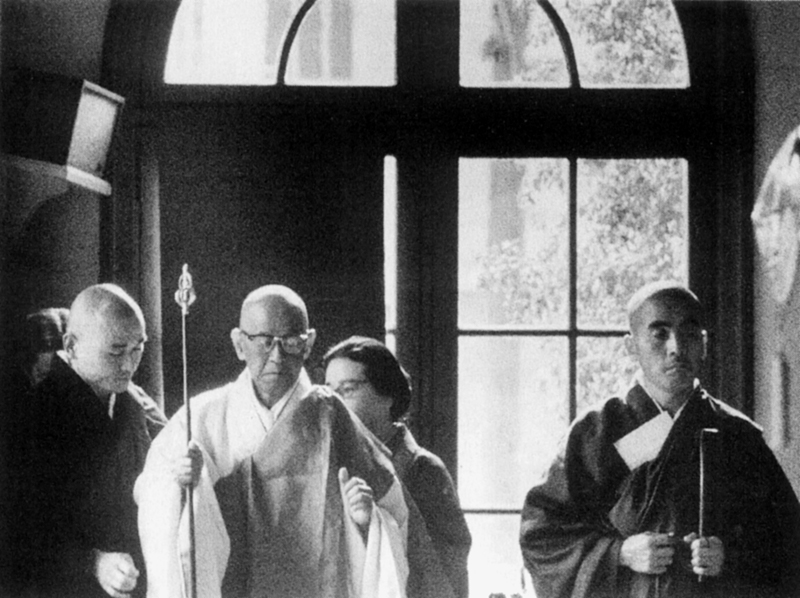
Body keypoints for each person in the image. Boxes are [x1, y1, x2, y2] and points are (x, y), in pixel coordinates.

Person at [135, 285, 451, 598]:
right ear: (239, 344)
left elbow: (396, 516)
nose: (276, 356)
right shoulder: (201, 417)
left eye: (290, 342)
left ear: (308, 343)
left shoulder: (332, 417)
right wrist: (181, 485)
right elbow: (151, 491)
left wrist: (368, 521)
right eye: (264, 341)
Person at [519, 281, 800, 598]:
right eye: (660, 333)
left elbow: (789, 545)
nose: (676, 347)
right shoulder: (598, 431)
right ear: (631, 346)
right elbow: (542, 536)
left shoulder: (738, 436)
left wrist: (730, 558)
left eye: (689, 333)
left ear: (704, 344)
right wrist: (620, 553)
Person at [13, 284, 167, 598]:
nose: (129, 365)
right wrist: (93, 562)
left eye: (137, 348)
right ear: (71, 346)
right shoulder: (35, 415)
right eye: (116, 351)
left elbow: (166, 453)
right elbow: (20, 528)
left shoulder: (132, 399)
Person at [323, 336, 472, 598]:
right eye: (329, 391)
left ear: (387, 395)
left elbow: (445, 570)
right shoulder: (333, 463)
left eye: (348, 389)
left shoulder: (423, 470)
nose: (335, 402)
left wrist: (376, 525)